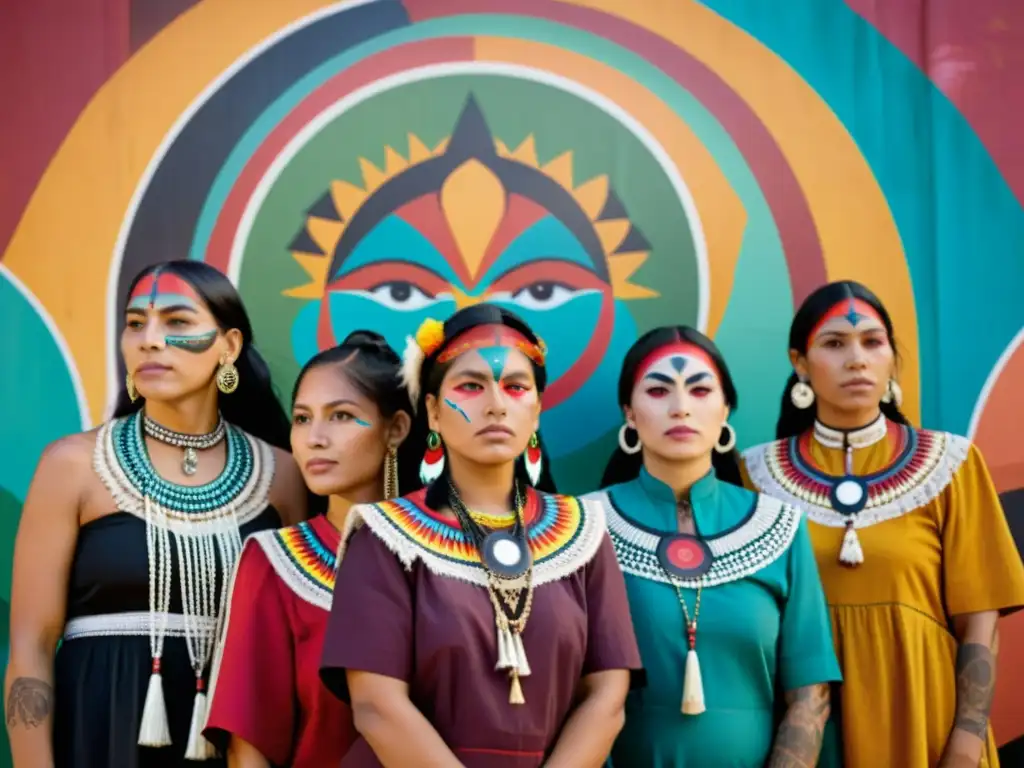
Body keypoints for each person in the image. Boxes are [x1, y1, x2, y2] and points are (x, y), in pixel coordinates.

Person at [5, 261, 307, 768]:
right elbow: (30, 645)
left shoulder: (282, 475)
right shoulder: (73, 466)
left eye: (177, 322)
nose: (149, 340)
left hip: (234, 744)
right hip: (98, 733)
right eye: (135, 323)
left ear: (228, 346)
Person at [319, 304, 644, 767]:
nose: (495, 403)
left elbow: (608, 695)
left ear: (535, 410)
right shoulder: (384, 536)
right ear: (432, 411)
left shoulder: (583, 532)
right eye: (470, 386)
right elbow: (377, 706)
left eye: (515, 387)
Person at [741, 280, 1024, 767]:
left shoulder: (951, 464)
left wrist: (966, 739)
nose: (857, 359)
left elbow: (979, 619)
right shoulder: (755, 475)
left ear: (892, 358)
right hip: (802, 727)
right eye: (834, 344)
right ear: (800, 363)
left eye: (873, 342)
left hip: (923, 716)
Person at [592, 325, 841, 767]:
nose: (680, 408)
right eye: (658, 390)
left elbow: (810, 692)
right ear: (628, 412)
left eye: (701, 390)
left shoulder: (779, 526)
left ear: (726, 409)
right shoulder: (583, 525)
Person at [203, 331, 418, 766]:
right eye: (302, 418)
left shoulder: (449, 555)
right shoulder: (276, 562)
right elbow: (250, 750)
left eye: (340, 416)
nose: (314, 438)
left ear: (395, 428)